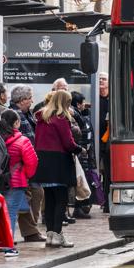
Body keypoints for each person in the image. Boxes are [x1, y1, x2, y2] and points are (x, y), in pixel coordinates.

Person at [32, 90, 84, 248]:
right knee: (61, 200)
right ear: (65, 103)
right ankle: (57, 235)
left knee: (50, 200)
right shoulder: (61, 119)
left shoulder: (42, 118)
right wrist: (79, 149)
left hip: (43, 161)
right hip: (59, 161)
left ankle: (50, 235)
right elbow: (68, 143)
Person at [0, 109, 38, 257]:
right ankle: (9, 247)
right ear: (16, 123)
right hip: (16, 182)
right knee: (11, 214)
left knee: (1, 213)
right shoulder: (22, 140)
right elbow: (32, 162)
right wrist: (26, 175)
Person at [9, 84, 46, 243]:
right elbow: (25, 141)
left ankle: (31, 231)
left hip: (30, 163)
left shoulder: (26, 114)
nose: (32, 101)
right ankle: (30, 231)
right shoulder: (15, 115)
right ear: (22, 100)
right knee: (32, 195)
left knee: (33, 196)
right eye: (30, 98)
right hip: (24, 165)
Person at [71, 91, 94, 219]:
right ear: (78, 104)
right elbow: (82, 133)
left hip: (82, 151)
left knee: (82, 179)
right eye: (83, 103)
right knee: (80, 180)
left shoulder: (80, 114)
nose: (84, 105)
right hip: (80, 151)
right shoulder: (74, 115)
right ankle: (78, 207)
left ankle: (81, 206)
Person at [98, 72, 111, 213]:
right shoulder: (94, 99)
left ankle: (107, 202)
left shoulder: (113, 99)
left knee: (108, 173)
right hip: (96, 141)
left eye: (104, 78)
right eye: (99, 78)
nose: (101, 80)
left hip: (107, 142)